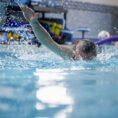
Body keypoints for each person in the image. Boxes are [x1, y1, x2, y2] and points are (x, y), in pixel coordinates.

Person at [19, 5, 97, 60]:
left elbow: (48, 42)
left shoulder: (74, 56)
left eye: (87, 59)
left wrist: (34, 23)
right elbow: (48, 42)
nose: (80, 59)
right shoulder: (71, 55)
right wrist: (34, 22)